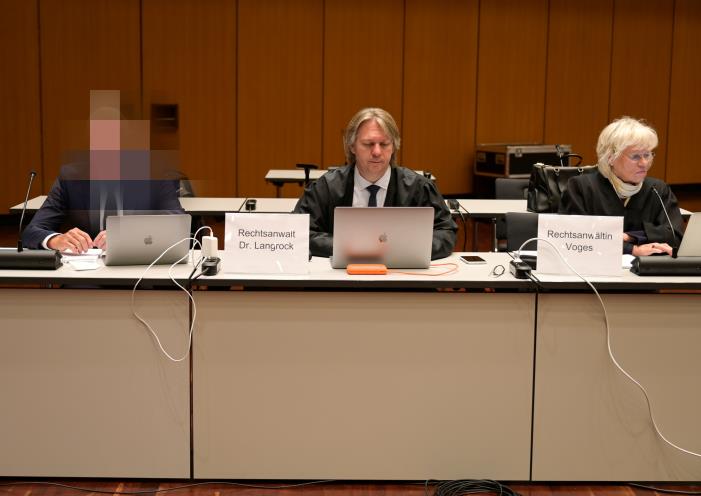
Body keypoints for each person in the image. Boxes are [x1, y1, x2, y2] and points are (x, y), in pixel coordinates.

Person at [293, 107, 457, 259]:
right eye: (368, 144)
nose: (377, 152)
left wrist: (402, 248)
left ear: (393, 147)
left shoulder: (419, 188)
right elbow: (298, 232)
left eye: (384, 144)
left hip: (401, 280)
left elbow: (445, 232)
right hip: (342, 282)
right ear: (352, 146)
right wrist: (350, 247)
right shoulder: (326, 187)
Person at [559, 116, 683, 256]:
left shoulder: (657, 190)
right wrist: (633, 250)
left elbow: (675, 235)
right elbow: (576, 237)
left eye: (647, 155)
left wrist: (631, 237)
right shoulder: (582, 188)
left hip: (647, 272)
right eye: (635, 156)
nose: (644, 163)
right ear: (610, 158)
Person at [21, 160, 184, 253]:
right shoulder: (72, 177)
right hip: (86, 276)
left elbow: (178, 223)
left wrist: (129, 234)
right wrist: (56, 240)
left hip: (140, 270)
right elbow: (31, 232)